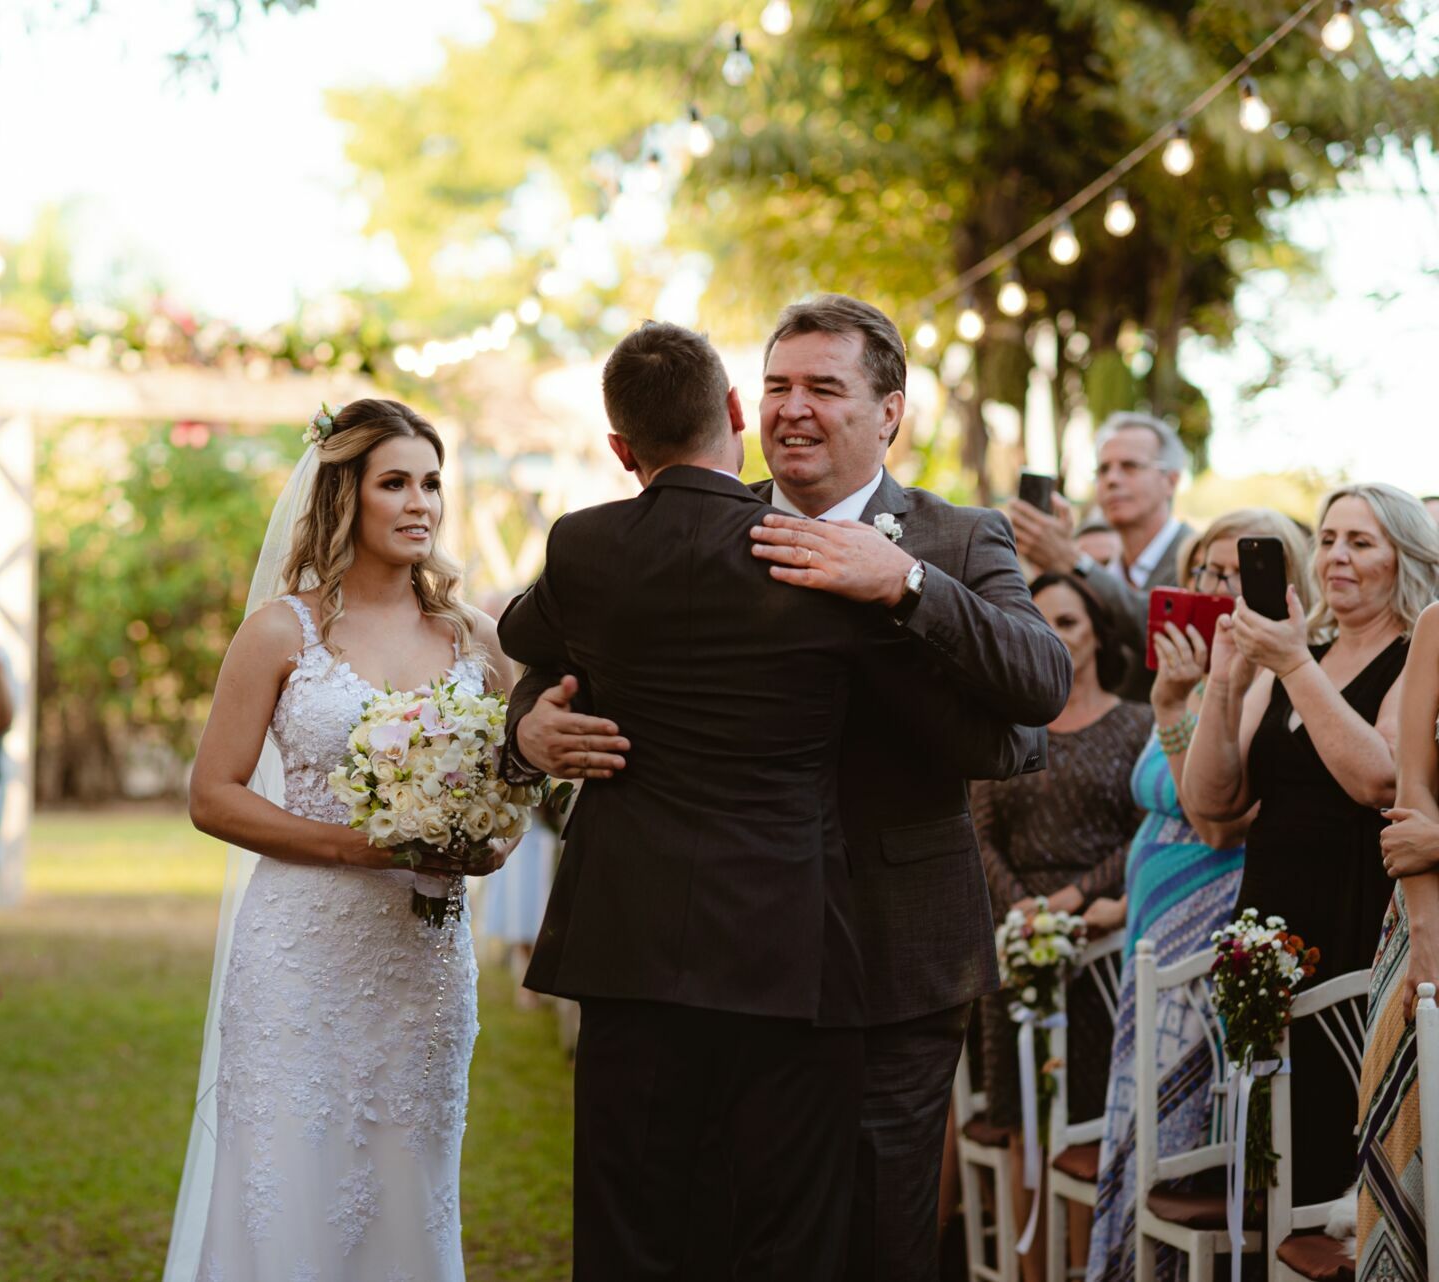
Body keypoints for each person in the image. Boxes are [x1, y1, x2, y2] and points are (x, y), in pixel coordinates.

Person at [516, 295, 1069, 1282]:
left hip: (893, 952)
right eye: (777, 386)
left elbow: (1035, 692)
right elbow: (556, 638)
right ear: (743, 404)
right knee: (712, 1230)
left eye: (825, 387)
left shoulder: (954, 536)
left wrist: (902, 584)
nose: (794, 409)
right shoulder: (689, 521)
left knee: (868, 1238)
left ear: (890, 411)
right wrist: (534, 724)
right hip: (710, 964)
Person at [169, 398, 515, 1282]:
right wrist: (354, 847)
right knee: (288, 1179)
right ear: (343, 497)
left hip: (423, 963)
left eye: (431, 483)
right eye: (394, 482)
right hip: (299, 955)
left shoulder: (475, 639)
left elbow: (514, 797)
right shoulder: (284, 632)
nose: (420, 504)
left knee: (412, 1182)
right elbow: (212, 796)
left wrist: (481, 844)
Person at [1186, 482, 1439, 1208]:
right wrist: (1227, 682)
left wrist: (1294, 667)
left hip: (1355, 912)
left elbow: (1379, 780)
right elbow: (1214, 804)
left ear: (1404, 557)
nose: (1337, 557)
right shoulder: (1298, 652)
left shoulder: (1409, 655)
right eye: (1328, 539)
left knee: (1331, 1144)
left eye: (1361, 542)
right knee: (1263, 1145)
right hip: (1268, 913)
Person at [1082, 509, 1311, 1282]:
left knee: (1174, 1136)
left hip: (1203, 921)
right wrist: (1174, 696)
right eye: (1204, 572)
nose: (1214, 588)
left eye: (1231, 574)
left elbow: (1216, 820)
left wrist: (1178, 708)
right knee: (1136, 1120)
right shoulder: (1190, 674)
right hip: (1151, 916)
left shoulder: (1255, 681)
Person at [969, 572, 1150, 1281]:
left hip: (1101, 947)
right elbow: (978, 831)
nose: (1055, 634)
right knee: (1023, 1124)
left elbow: (1146, 833)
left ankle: (1089, 1268)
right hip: (1017, 942)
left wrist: (1071, 901)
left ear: (1100, 634)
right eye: (1040, 622)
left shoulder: (1137, 724)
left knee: (1092, 1126)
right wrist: (1022, 910)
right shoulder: (1005, 724)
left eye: (1069, 622)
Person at [1358, 599, 1439, 1279]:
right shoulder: (1437, 626)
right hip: (1424, 911)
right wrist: (1425, 936)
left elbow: (1427, 833)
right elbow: (1412, 790)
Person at [1009, 413, 1196, 701]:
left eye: (1129, 467)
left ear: (1170, 481)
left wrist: (1073, 562)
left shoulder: (1198, 558)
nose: (1112, 480)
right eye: (1103, 469)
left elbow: (1158, 632)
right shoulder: (1100, 567)